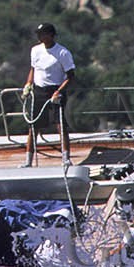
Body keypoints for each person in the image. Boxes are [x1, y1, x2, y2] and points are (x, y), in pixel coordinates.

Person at [24, 22, 76, 164]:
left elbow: (71, 76)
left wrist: (59, 91)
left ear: (51, 35)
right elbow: (33, 69)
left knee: (60, 125)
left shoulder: (62, 53)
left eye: (42, 34)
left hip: (56, 91)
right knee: (34, 126)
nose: (39, 37)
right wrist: (28, 84)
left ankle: (66, 158)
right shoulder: (35, 50)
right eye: (38, 34)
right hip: (39, 90)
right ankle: (28, 160)